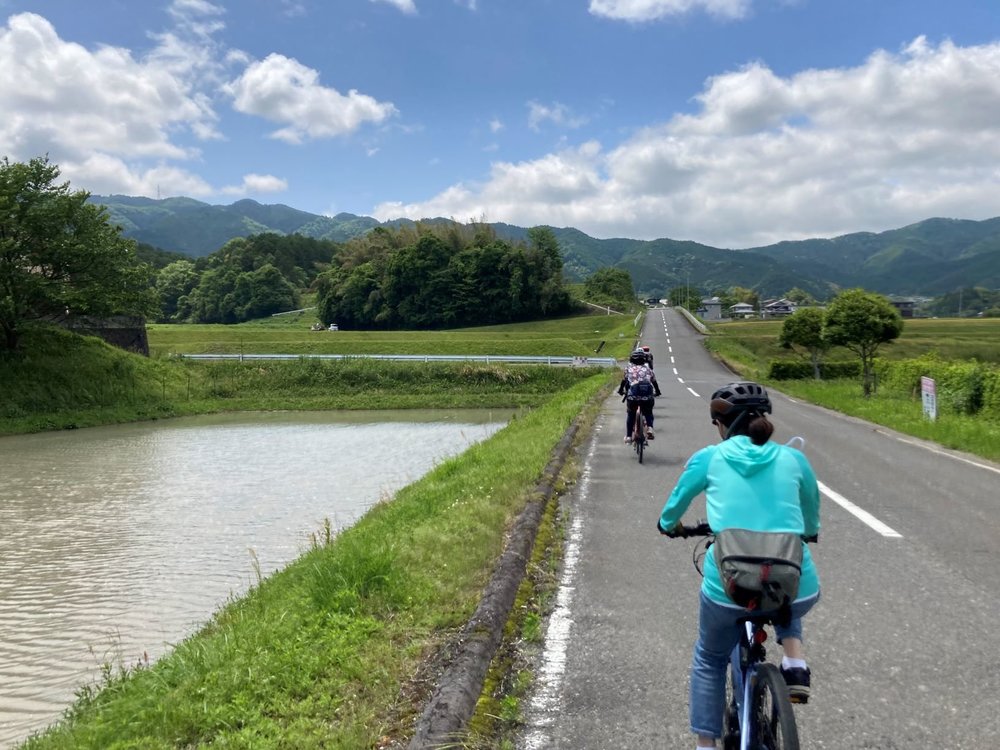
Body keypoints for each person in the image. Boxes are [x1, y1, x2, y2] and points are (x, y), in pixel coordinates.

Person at [657, 381, 820, 750]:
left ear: (722, 424)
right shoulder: (794, 458)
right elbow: (810, 516)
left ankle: (705, 745)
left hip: (727, 586)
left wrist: (671, 527)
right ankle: (794, 662)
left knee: (710, 659)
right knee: (786, 587)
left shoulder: (710, 458)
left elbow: (672, 511)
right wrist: (807, 533)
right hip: (794, 580)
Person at [617, 349, 661, 442]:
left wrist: (620, 391)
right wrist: (657, 391)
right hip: (647, 397)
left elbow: (624, 382)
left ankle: (629, 436)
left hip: (633, 397)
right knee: (648, 412)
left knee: (631, 414)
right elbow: (654, 382)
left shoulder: (628, 369)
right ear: (644, 359)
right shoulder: (648, 369)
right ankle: (649, 427)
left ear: (631, 359)